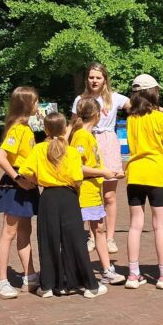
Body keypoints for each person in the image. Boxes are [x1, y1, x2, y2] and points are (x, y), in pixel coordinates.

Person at [72, 63, 163, 254]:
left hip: (108, 143)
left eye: (98, 77)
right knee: (90, 192)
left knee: (109, 195)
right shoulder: (80, 100)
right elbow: (74, 123)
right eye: (91, 77)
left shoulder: (115, 98)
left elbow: (144, 106)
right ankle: (92, 236)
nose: (94, 80)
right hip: (88, 142)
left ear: (105, 79)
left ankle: (109, 237)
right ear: (87, 79)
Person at [19, 112, 109, 298]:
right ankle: (90, 285)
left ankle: (47, 286)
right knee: (75, 240)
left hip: (48, 197)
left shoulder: (38, 149)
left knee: (48, 240)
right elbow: (77, 178)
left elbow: (25, 171)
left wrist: (38, 180)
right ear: (64, 129)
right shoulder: (72, 151)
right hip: (68, 197)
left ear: (45, 130)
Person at [124, 74, 163, 290]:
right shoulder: (160, 119)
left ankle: (133, 274)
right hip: (155, 174)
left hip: (135, 174)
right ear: (152, 92)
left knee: (135, 225)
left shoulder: (131, 119)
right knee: (160, 225)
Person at [69, 97, 127, 286]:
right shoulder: (81, 136)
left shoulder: (89, 135)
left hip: (93, 190)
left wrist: (112, 173)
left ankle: (106, 270)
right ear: (96, 115)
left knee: (99, 229)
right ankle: (77, 270)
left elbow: (92, 164)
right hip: (85, 192)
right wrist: (103, 172)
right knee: (83, 232)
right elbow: (76, 166)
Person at [0, 86, 41, 299]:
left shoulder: (27, 128)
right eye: (36, 101)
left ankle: (30, 276)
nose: (38, 105)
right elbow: (0, 157)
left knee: (25, 231)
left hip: (28, 185)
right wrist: (18, 178)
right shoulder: (18, 129)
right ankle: (1, 281)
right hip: (16, 185)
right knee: (8, 233)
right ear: (27, 104)